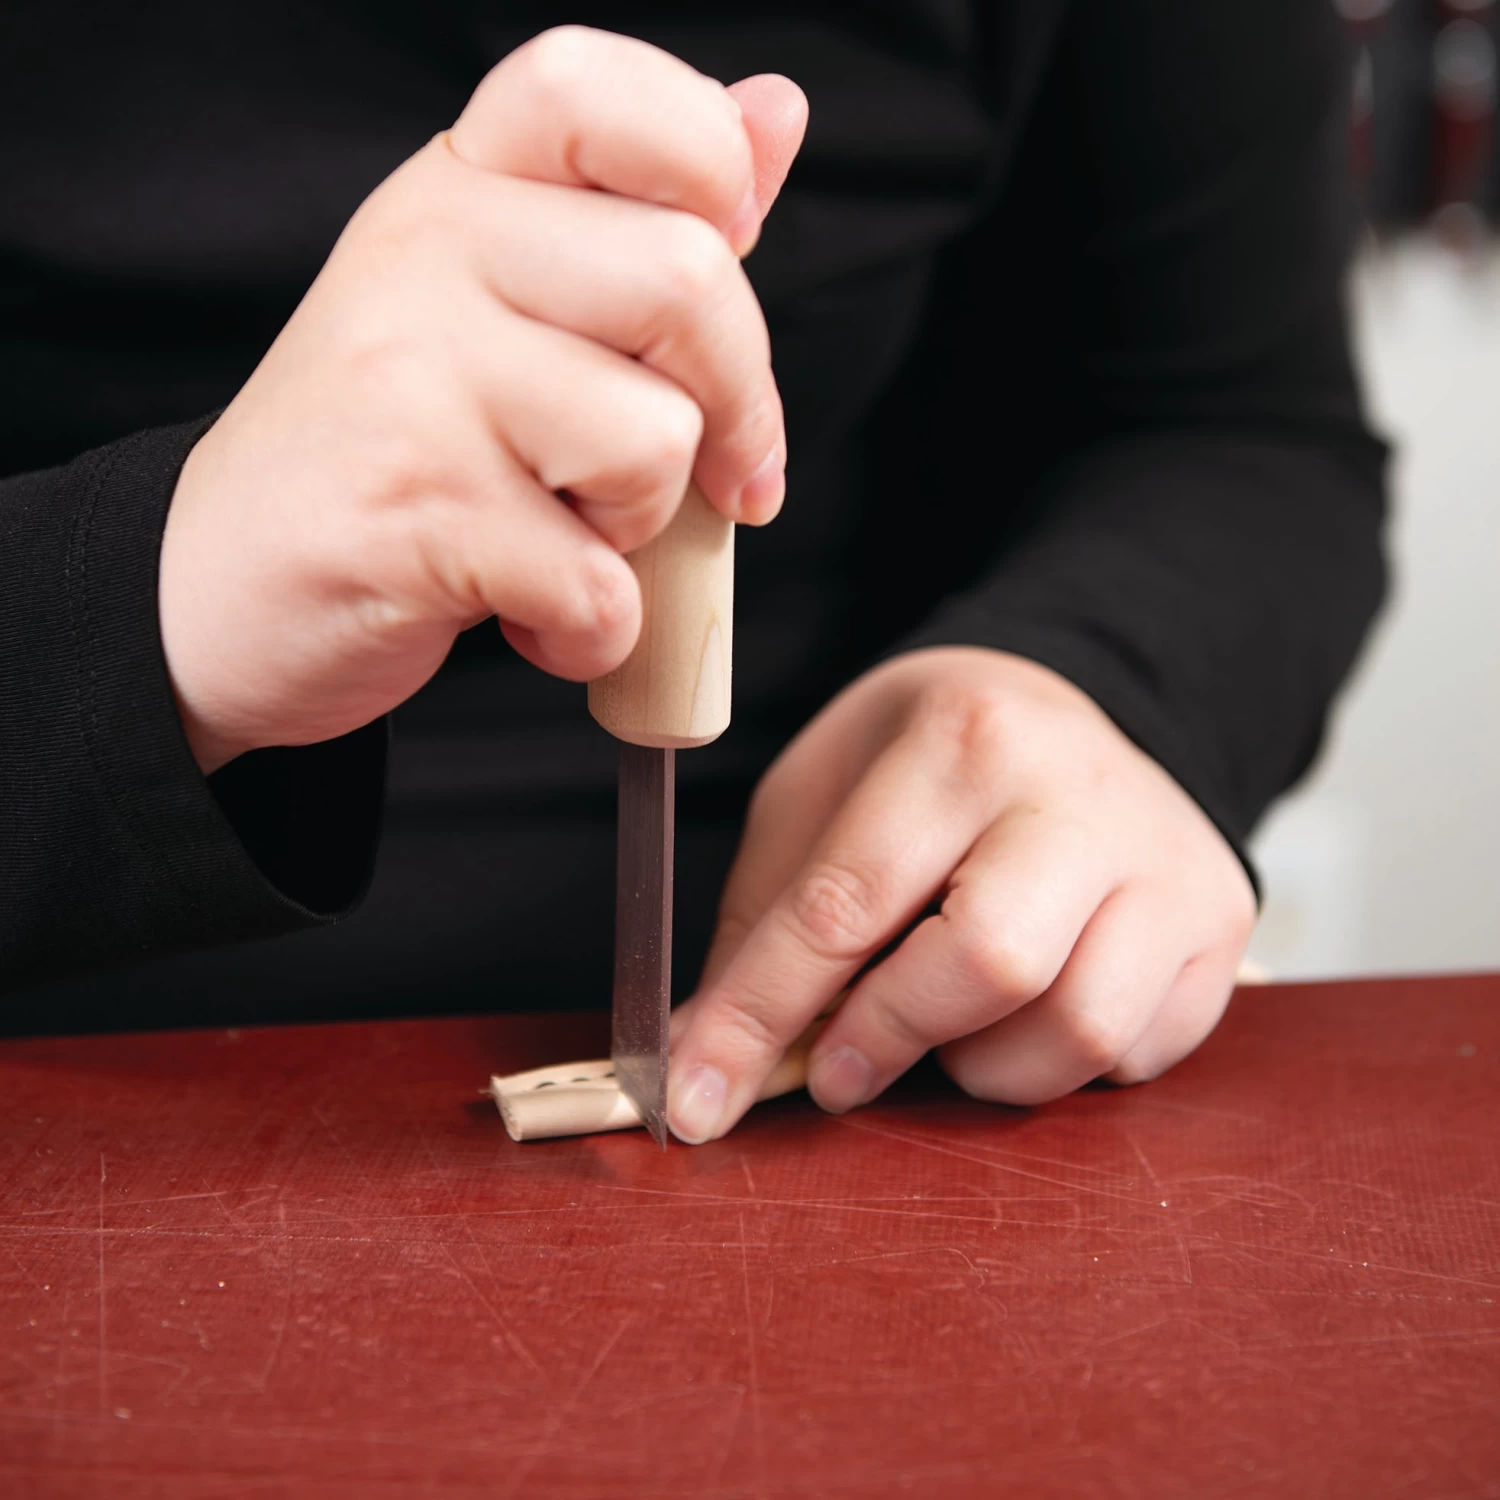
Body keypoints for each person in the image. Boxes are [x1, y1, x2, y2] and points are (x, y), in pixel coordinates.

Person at [0, 3, 1385, 1145]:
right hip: (81, 1063)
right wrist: (150, 596)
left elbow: (1235, 425)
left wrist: (1090, 673)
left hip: (853, 1045)